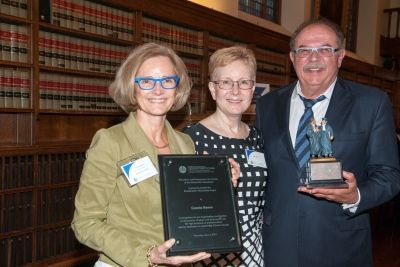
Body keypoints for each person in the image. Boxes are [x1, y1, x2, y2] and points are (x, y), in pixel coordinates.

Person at [71, 43, 240, 267]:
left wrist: (219, 186)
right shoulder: (110, 142)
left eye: (167, 81)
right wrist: (148, 255)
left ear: (177, 88)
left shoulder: (185, 144)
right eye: (147, 82)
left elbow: (187, 208)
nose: (158, 90)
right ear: (133, 86)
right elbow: (85, 223)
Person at [256, 17, 400, 267]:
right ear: (292, 58)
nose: (313, 58)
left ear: (340, 56)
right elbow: (259, 167)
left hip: (340, 247)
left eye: (324, 49)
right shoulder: (268, 105)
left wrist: (355, 195)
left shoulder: (371, 103)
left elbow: (389, 176)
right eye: (304, 50)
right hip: (278, 244)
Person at [184, 46, 267, 266]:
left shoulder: (258, 137)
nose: (235, 91)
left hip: (256, 250)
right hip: (212, 253)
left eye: (244, 82)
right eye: (226, 82)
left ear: (253, 88)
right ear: (213, 89)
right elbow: (184, 206)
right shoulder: (192, 139)